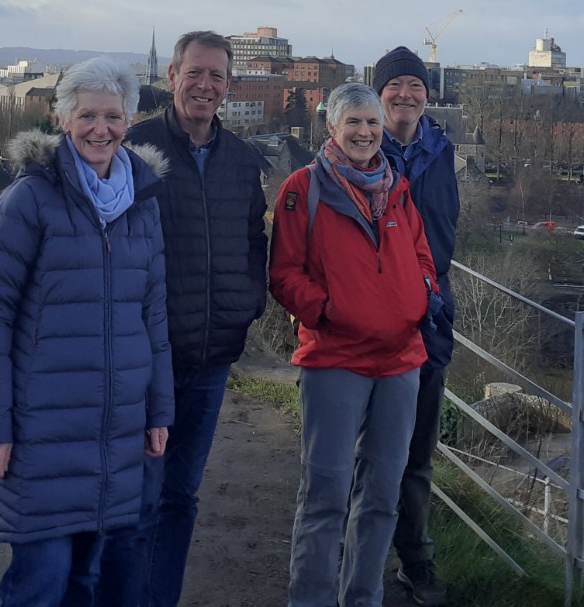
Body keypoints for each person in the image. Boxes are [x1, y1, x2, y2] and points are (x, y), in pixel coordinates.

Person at [0, 57, 174, 607]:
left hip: (116, 427)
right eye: (87, 116)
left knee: (86, 577)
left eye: (113, 116)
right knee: (43, 579)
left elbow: (154, 317)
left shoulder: (142, 206)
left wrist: (159, 412)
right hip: (43, 428)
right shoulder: (29, 200)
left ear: (129, 122)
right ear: (64, 120)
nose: (100, 129)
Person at [97, 30, 270, 607]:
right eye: (194, 73)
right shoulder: (135, 151)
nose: (205, 85)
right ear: (171, 77)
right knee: (136, 496)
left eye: (217, 76)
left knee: (180, 497)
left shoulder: (244, 162)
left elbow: (252, 243)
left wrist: (246, 308)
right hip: (146, 357)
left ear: (228, 86)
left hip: (210, 357)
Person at [270, 82, 439, 607]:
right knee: (325, 497)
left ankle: (362, 599)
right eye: (354, 123)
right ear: (332, 129)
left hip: (400, 362)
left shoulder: (398, 187)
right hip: (335, 359)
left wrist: (422, 296)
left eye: (372, 122)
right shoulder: (304, 189)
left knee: (383, 498)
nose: (366, 132)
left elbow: (423, 256)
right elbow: (284, 274)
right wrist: (330, 312)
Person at [374, 47, 461, 606]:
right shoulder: (355, 144)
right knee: (365, 448)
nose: (406, 95)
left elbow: (445, 234)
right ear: (377, 94)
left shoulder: (441, 149)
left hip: (427, 319)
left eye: (415, 85)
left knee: (417, 453)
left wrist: (427, 294)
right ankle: (350, 555)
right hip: (372, 320)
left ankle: (415, 559)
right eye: (395, 86)